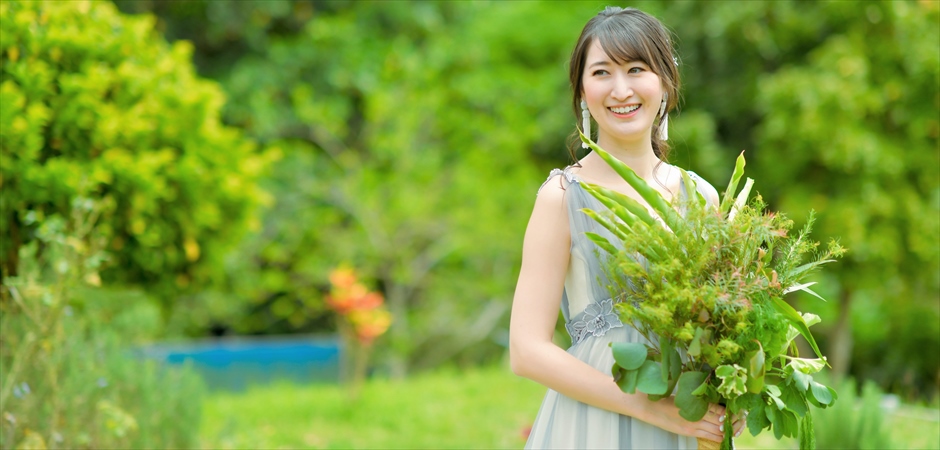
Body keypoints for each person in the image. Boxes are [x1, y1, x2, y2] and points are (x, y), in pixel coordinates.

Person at [509, 7, 745, 449]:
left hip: (683, 422)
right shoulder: (563, 196)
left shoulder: (702, 198)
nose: (621, 90)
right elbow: (526, 350)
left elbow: (720, 329)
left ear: (665, 82)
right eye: (602, 72)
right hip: (592, 423)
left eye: (637, 69)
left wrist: (735, 392)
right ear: (582, 90)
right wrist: (646, 406)